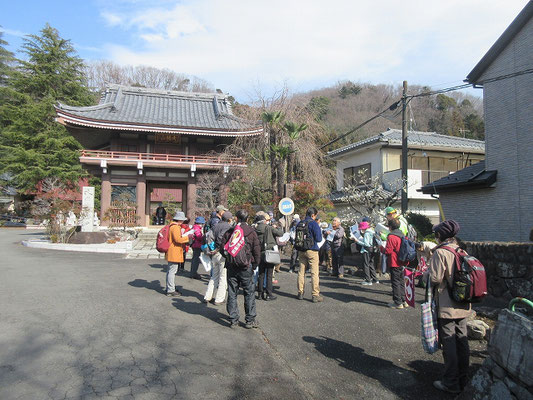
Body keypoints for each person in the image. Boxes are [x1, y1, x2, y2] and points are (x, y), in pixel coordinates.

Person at [427, 220, 471, 394]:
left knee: (449, 342)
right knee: (462, 340)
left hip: (447, 304)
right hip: (463, 301)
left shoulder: (441, 252)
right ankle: (463, 378)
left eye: (436, 234)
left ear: (440, 235)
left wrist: (425, 275)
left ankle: (450, 382)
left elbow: (435, 278)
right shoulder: (461, 249)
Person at [224, 209, 261, 329]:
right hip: (246, 266)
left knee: (232, 292)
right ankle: (250, 320)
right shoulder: (251, 232)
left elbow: (223, 247)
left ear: (236, 218)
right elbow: (256, 250)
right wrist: (254, 264)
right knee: (249, 292)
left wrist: (229, 259)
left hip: (232, 266)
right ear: (247, 219)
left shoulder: (231, 231)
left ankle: (233, 319)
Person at [204, 211, 233, 305]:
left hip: (214, 254)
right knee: (223, 277)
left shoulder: (215, 225)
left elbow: (208, 237)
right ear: (229, 219)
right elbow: (221, 238)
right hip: (221, 254)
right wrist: (219, 248)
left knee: (214, 276)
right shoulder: (227, 227)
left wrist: (212, 249)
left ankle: (208, 296)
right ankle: (219, 299)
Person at [297, 207, 324, 303]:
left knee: (301, 272)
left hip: (301, 250)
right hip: (312, 251)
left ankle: (300, 292)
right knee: (314, 273)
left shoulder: (300, 223)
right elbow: (319, 239)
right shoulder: (313, 224)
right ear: (313, 215)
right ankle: (315, 295)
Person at [254, 214, 283, 301]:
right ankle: (269, 294)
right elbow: (280, 234)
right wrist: (276, 227)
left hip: (260, 252)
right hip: (269, 252)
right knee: (269, 274)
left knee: (261, 274)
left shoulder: (255, 229)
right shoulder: (269, 228)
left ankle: (260, 293)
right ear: (264, 221)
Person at [382, 217, 407, 309]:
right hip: (402, 261)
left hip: (394, 261)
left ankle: (397, 302)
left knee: (395, 282)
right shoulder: (402, 234)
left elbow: (388, 251)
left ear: (390, 227)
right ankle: (404, 300)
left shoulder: (391, 236)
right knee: (401, 281)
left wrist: (382, 248)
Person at [165, 211, 191, 297]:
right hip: (174, 251)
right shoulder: (175, 227)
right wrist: (188, 237)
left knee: (170, 270)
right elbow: (178, 239)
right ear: (180, 220)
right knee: (172, 271)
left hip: (172, 251)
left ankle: (170, 287)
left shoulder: (171, 226)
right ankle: (170, 289)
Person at [355, 221, 379, 285]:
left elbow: (366, 244)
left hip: (366, 250)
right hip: (373, 250)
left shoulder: (367, 233)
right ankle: (375, 279)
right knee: (371, 264)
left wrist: (357, 241)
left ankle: (368, 280)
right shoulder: (372, 232)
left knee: (366, 264)